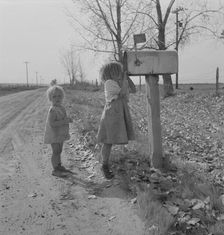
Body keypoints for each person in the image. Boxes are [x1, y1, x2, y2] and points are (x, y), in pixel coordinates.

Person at [97, 61, 136, 179]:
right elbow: (123, 92)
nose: (120, 74)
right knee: (108, 141)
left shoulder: (120, 82)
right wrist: (124, 79)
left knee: (111, 140)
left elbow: (133, 89)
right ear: (112, 73)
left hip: (120, 112)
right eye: (118, 72)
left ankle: (107, 163)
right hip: (112, 114)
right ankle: (104, 165)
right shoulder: (109, 83)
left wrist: (127, 78)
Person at [44, 84, 73, 177]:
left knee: (59, 151)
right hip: (54, 134)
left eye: (59, 96)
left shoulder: (61, 107)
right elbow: (52, 123)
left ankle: (59, 165)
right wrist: (64, 121)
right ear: (50, 98)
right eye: (54, 96)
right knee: (55, 151)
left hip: (60, 134)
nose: (57, 98)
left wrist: (68, 119)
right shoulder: (52, 110)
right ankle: (55, 169)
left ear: (63, 97)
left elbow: (63, 118)